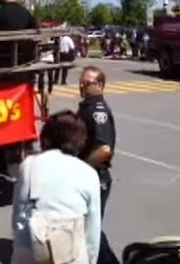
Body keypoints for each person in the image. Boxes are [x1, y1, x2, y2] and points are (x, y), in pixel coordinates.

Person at [11, 110, 101, 264]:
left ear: (45, 137)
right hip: (72, 253)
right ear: (79, 141)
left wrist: (21, 246)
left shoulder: (29, 165)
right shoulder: (89, 173)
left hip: (32, 249)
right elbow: (92, 229)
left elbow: (18, 216)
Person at [76, 65, 120, 264]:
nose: (83, 85)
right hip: (88, 177)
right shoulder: (86, 106)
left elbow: (104, 149)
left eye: (88, 82)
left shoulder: (97, 111)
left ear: (100, 85)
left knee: (90, 229)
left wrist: (81, 167)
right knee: (86, 227)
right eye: (82, 81)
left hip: (95, 177)